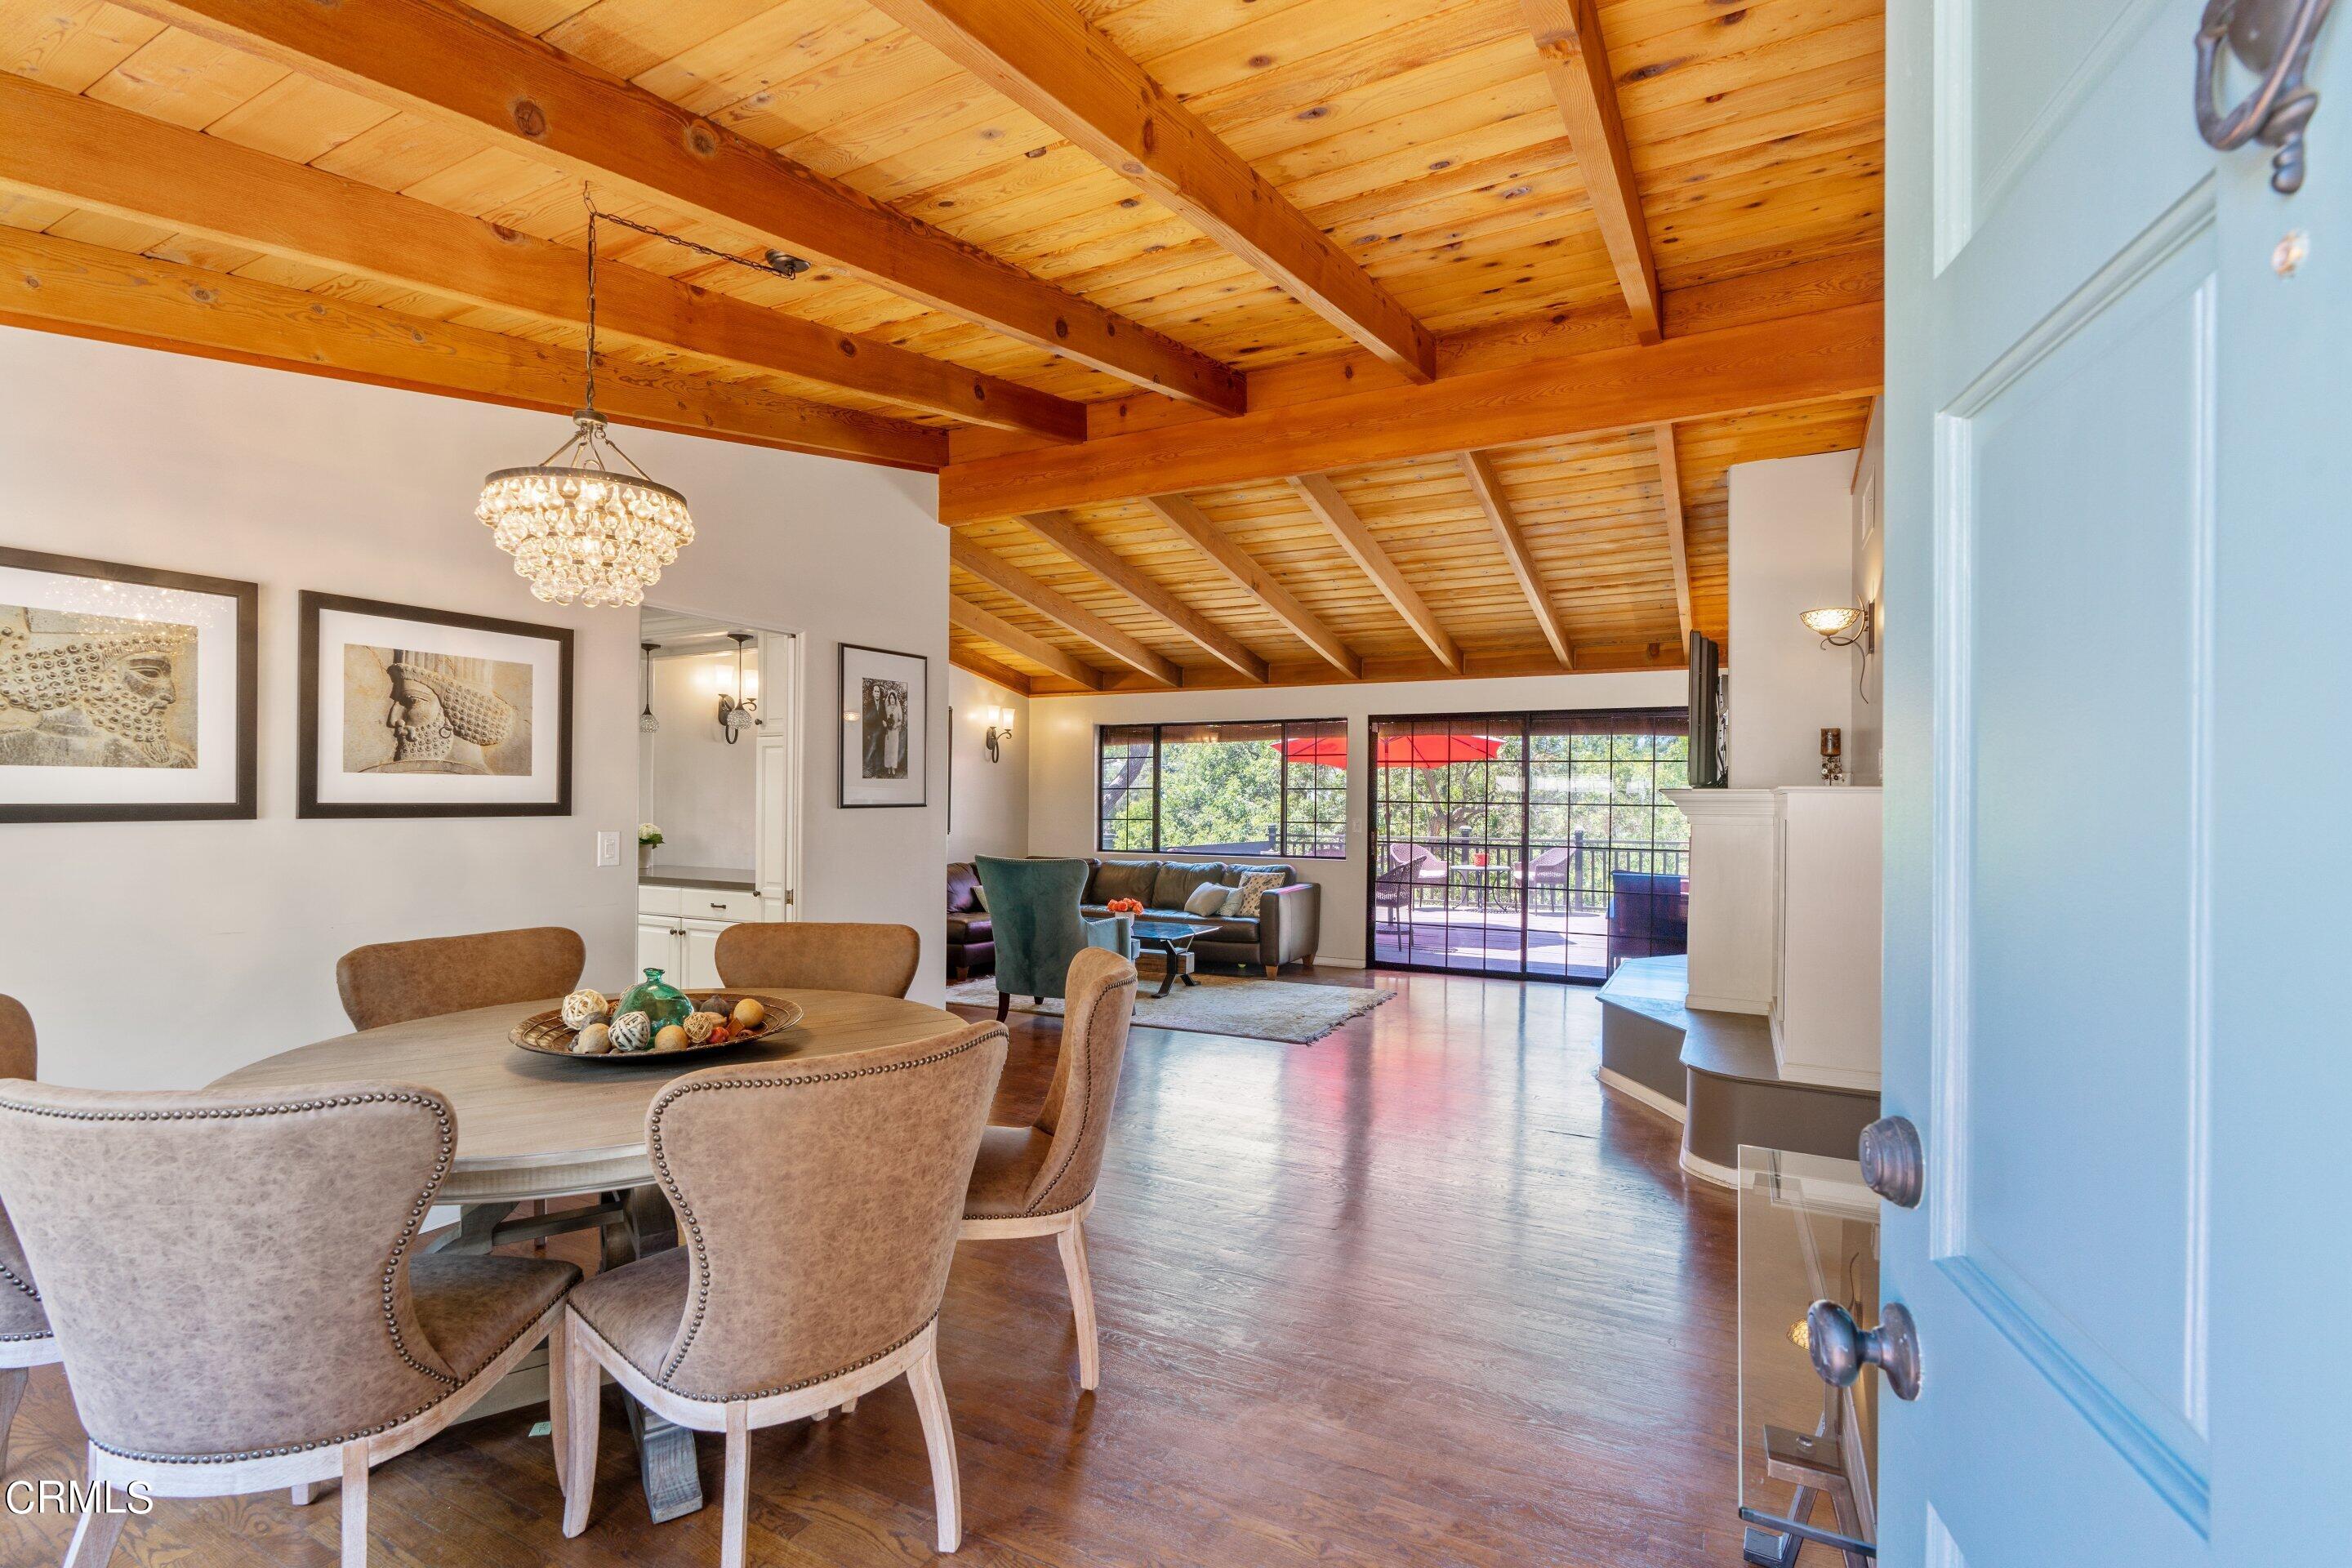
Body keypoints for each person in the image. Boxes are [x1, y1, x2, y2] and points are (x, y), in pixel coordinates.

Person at [0, 606, 194, 768]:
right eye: (150, 674)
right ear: (95, 678)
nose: (170, 695)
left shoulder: (178, 762)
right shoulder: (9, 746)